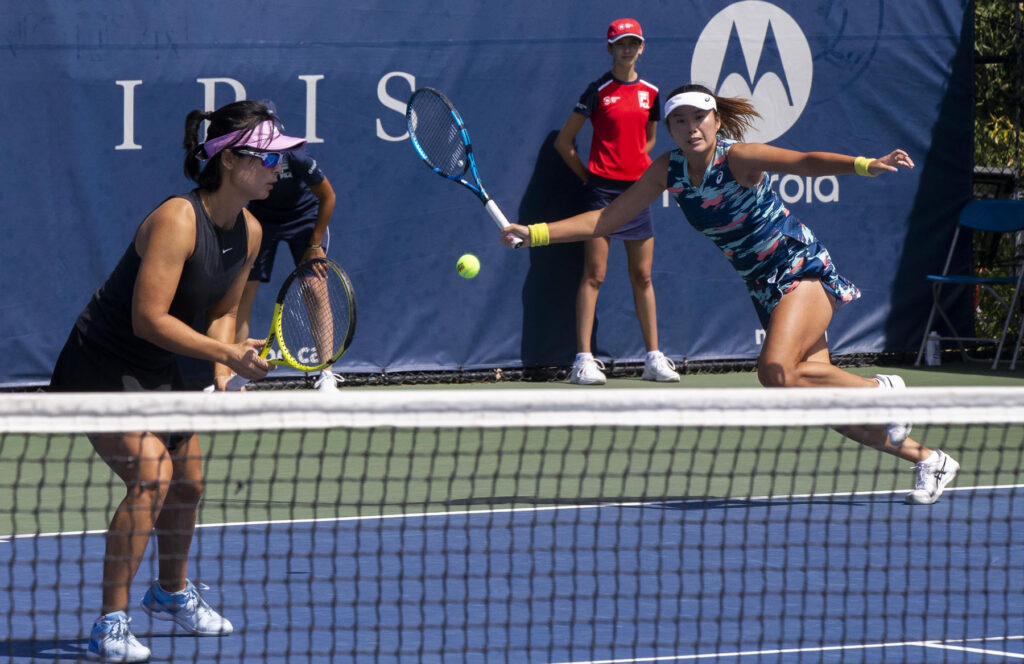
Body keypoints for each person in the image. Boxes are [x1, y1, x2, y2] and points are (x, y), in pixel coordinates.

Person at [503, 83, 959, 505]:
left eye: (699, 117)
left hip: (798, 268)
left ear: (716, 120)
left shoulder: (737, 158)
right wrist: (535, 233)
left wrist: (864, 164)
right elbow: (606, 220)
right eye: (679, 120)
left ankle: (879, 389)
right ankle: (930, 461)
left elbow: (803, 163)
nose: (690, 127)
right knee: (810, 394)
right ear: (669, 129)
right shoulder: (668, 169)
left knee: (775, 372)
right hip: (762, 286)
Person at [49, 100, 305, 662]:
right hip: (102, 366)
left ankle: (169, 594)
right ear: (231, 159)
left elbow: (222, 311)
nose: (277, 169)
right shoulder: (177, 219)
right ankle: (110, 623)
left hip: (164, 370)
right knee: (151, 476)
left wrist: (224, 364)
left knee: (188, 484)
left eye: (280, 160)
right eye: (267, 158)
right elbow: (150, 317)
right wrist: (224, 353)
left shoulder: (252, 230)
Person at [553, 18, 679, 385]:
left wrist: (636, 171)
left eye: (633, 43)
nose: (627, 49)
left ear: (641, 48)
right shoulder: (597, 90)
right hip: (601, 192)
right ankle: (583, 361)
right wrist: (590, 177)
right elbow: (564, 142)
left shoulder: (653, 93)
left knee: (642, 276)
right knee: (595, 275)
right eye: (620, 43)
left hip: (637, 193)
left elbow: (648, 141)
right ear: (610, 49)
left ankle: (653, 359)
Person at [236, 101, 340, 392]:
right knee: (243, 291)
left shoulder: (296, 156)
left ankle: (327, 375)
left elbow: (328, 197)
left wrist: (315, 243)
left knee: (316, 290)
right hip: (261, 218)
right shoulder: (246, 157)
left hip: (303, 219)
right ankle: (236, 373)